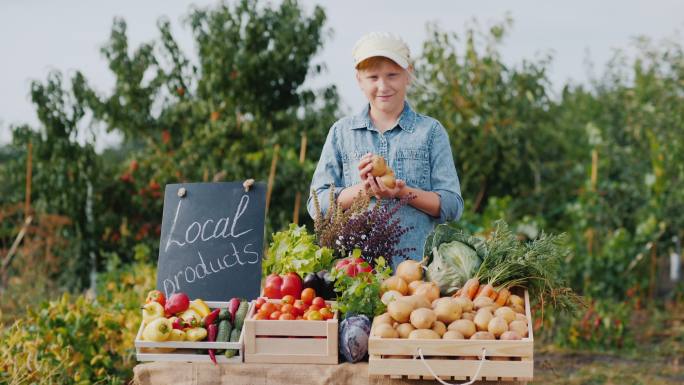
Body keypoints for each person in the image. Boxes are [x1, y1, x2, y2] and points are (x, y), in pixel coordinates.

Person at [307, 32, 463, 268]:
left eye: (392, 75)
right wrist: (363, 190)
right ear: (359, 79)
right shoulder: (342, 133)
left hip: (416, 277)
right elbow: (317, 205)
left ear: (408, 74)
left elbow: (451, 205)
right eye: (373, 77)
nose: (383, 86)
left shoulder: (430, 132)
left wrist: (403, 193)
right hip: (355, 277)